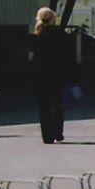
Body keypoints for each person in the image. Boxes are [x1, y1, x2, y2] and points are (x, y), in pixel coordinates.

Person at [31, 8, 71, 144]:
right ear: (53, 19)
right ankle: (58, 132)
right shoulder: (61, 35)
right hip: (58, 73)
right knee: (57, 103)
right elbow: (68, 55)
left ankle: (47, 135)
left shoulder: (37, 36)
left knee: (44, 105)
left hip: (41, 75)